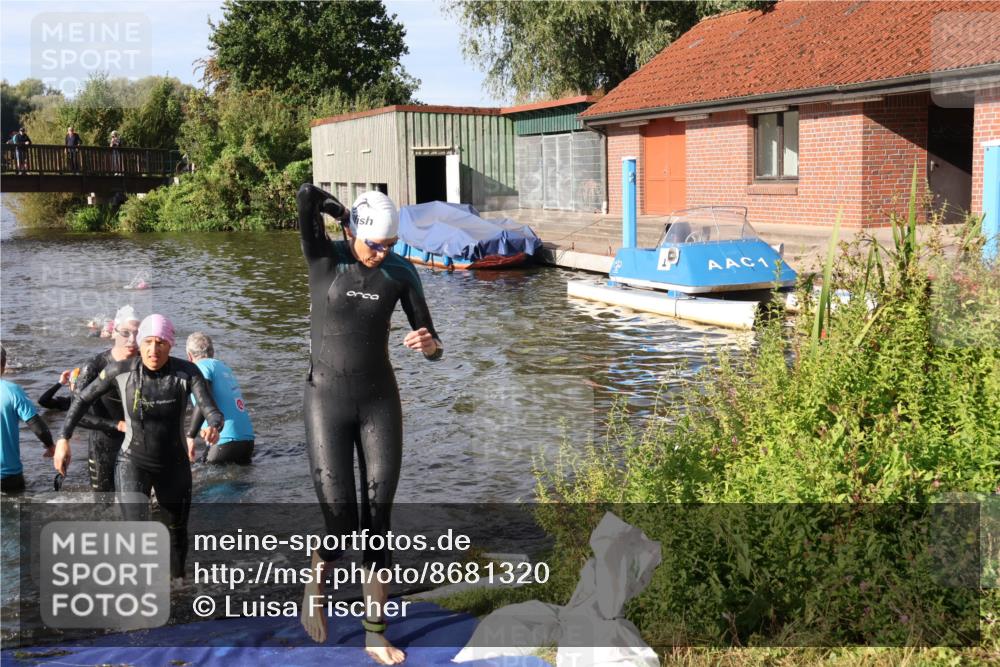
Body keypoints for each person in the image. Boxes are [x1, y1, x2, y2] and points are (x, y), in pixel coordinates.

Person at [296, 184, 443, 665]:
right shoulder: (326, 259)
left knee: (378, 521)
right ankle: (317, 575)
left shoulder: (401, 273)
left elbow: (433, 341)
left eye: (390, 245)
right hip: (326, 400)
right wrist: (343, 213)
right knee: (340, 524)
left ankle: (374, 632)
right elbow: (305, 196)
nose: (381, 254)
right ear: (353, 231)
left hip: (379, 399)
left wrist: (428, 346)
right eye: (373, 243)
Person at [54, 315, 223, 579]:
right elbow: (81, 400)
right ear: (140, 344)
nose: (153, 350)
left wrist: (214, 425)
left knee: (176, 532)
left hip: (174, 465)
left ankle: (177, 587)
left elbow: (210, 408)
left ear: (171, 344)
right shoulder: (119, 371)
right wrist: (63, 438)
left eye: (160, 343)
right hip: (133, 461)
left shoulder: (187, 372)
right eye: (148, 342)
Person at [61, 305, 142, 493]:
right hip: (103, 447)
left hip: (138, 447)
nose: (132, 340)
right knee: (104, 506)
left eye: (137, 334)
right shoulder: (94, 367)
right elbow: (76, 415)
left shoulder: (147, 364)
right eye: (125, 333)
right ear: (114, 333)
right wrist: (117, 425)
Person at [184, 332, 255, 465]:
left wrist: (190, 436)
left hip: (225, 442)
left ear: (189, 356)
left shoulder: (201, 366)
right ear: (213, 352)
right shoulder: (224, 368)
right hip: (247, 441)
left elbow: (203, 399)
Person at [1, 345, 56, 493]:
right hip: (7, 475)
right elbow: (36, 424)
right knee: (12, 514)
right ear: (4, 364)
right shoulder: (12, 391)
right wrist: (51, 446)